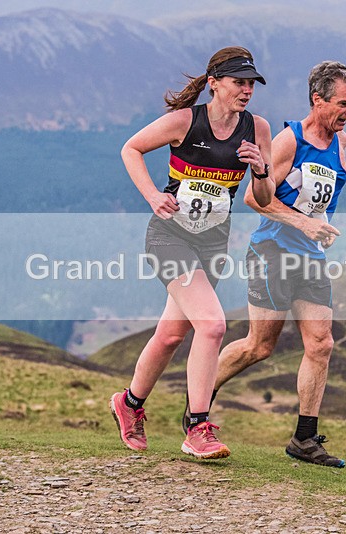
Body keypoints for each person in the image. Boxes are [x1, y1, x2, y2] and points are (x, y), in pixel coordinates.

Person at [182, 60, 346, 467]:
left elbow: (318, 201)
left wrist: (319, 227)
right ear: (318, 100)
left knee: (321, 344)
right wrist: (301, 222)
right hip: (272, 252)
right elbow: (253, 198)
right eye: (344, 104)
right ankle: (198, 407)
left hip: (311, 258)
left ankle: (305, 440)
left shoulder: (341, 142)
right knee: (259, 347)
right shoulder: (288, 140)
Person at [110, 46, 275, 460]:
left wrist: (260, 170)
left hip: (212, 244)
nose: (247, 90)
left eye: (251, 83)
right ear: (214, 83)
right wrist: (152, 195)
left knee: (169, 336)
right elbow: (130, 148)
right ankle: (197, 427)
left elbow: (264, 196)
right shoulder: (185, 121)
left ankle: (128, 404)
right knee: (214, 326)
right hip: (170, 237)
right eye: (239, 81)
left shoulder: (258, 129)